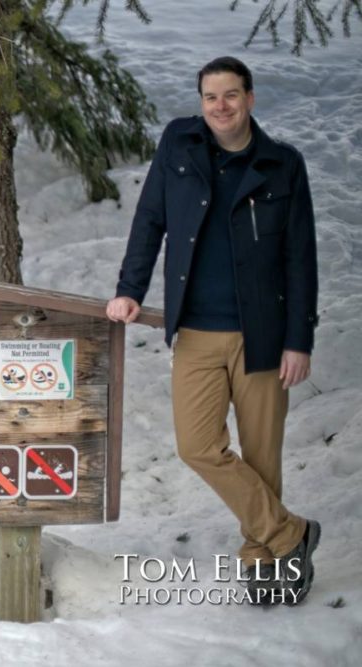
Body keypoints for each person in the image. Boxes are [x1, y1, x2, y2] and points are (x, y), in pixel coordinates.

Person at [106, 57, 320, 605]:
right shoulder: (180, 145)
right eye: (209, 97)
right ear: (200, 102)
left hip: (264, 335)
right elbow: (150, 218)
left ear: (250, 98)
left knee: (262, 454)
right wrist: (130, 287)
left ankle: (264, 561)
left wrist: (300, 338)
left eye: (230, 95)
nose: (219, 106)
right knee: (197, 446)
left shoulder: (282, 164)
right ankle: (292, 533)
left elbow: (301, 257)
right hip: (197, 332)